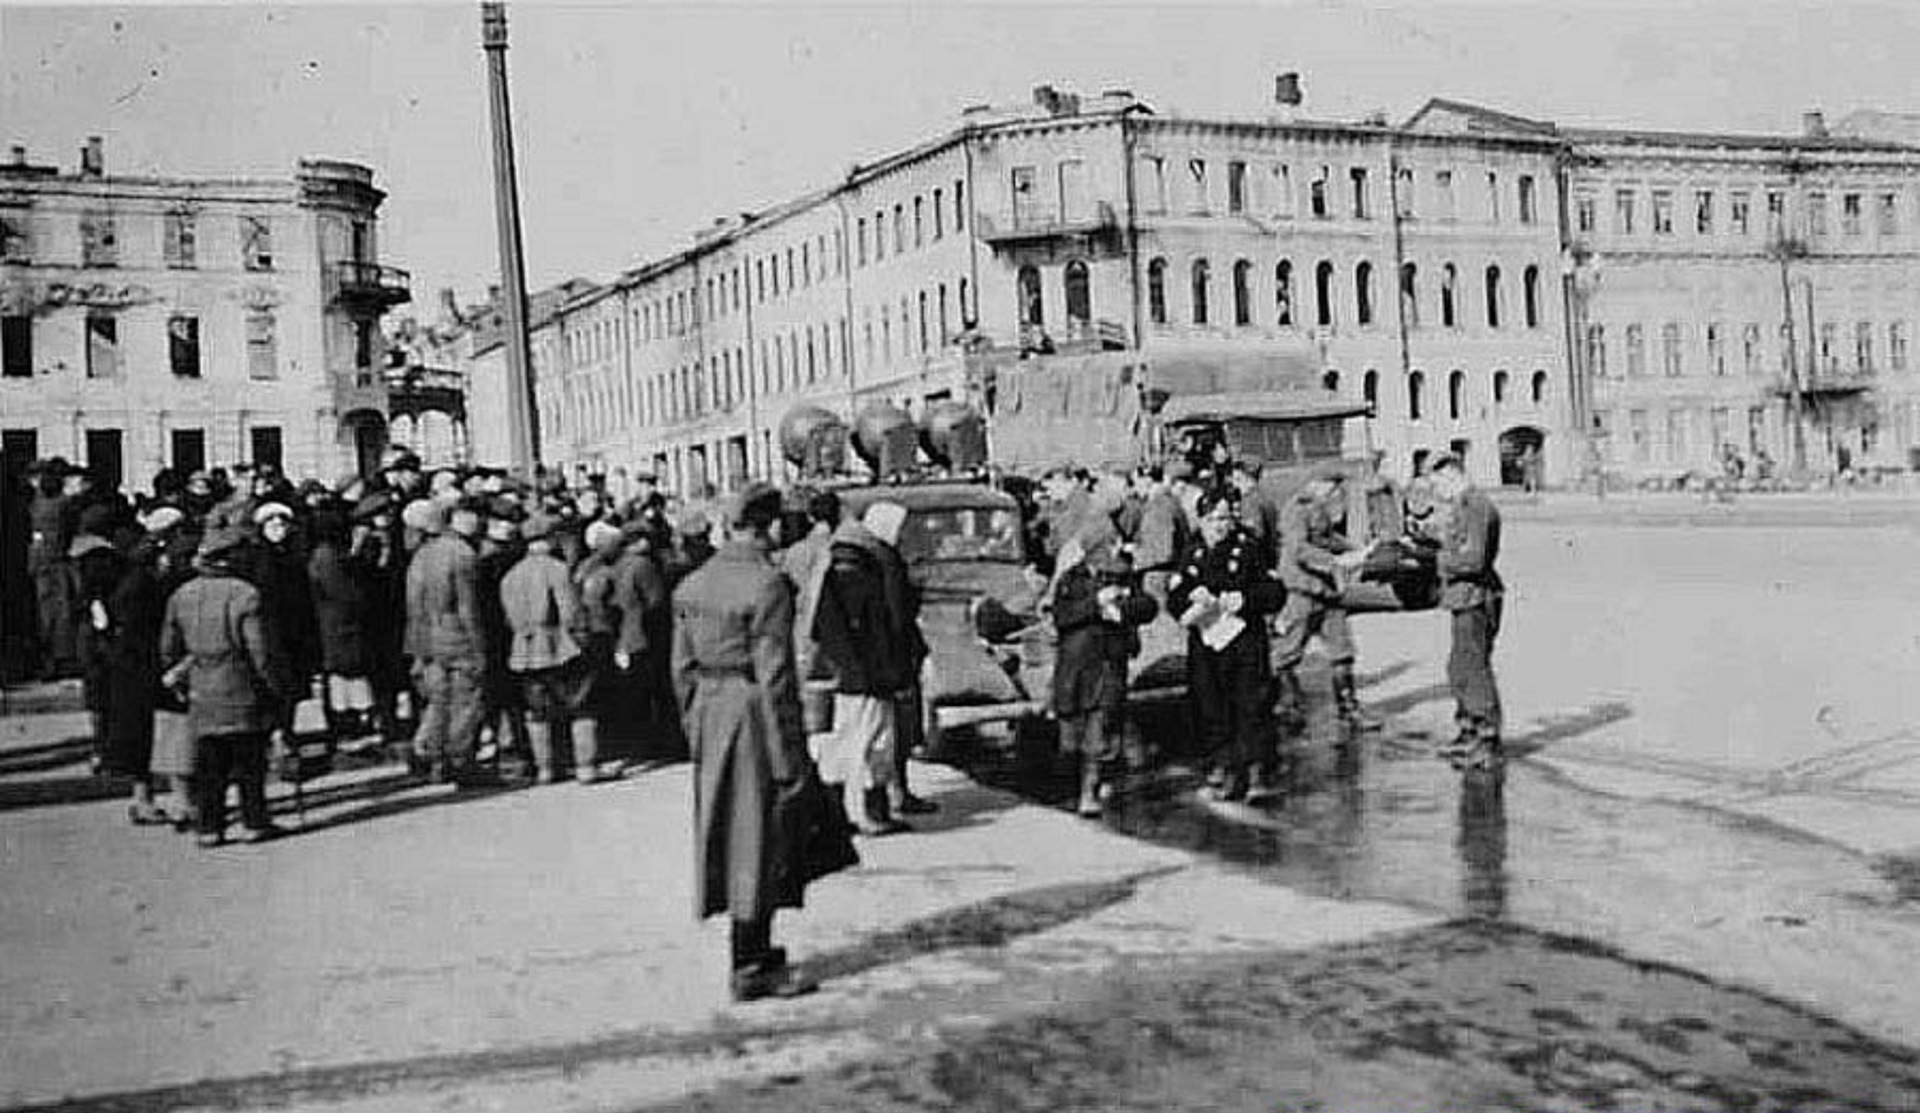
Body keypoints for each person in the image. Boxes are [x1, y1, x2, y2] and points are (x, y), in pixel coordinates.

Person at [672, 482, 836, 1002]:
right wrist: (791, 756)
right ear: (767, 527)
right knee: (757, 836)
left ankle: (753, 950)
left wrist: (697, 725)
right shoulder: (767, 585)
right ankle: (749, 964)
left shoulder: (693, 584)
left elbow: (681, 670)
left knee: (726, 833)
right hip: (752, 715)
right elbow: (776, 677)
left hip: (712, 711)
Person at [160, 527, 287, 847]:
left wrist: (183, 672)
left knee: (209, 760)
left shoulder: (182, 594)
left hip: (202, 682)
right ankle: (254, 821)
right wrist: (273, 684)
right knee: (248, 758)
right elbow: (259, 650)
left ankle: (209, 827)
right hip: (238, 680)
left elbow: (168, 646)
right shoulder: (245, 594)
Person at [812, 500, 924, 835]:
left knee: (863, 741)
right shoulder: (864, 568)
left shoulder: (852, 563)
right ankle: (864, 813)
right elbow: (883, 625)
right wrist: (874, 670)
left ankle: (854, 812)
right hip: (867, 674)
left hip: (860, 673)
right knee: (868, 742)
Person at [1166, 489, 1286, 802]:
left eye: (1226, 518)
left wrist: (1245, 599)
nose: (1221, 525)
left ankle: (1256, 772)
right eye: (1214, 519)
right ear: (1202, 520)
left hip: (1244, 640)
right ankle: (1224, 768)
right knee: (1211, 706)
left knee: (1251, 705)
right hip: (1207, 642)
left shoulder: (1248, 548)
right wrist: (1191, 602)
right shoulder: (1192, 552)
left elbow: (1275, 592)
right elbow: (1175, 598)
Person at [1050, 537, 1157, 816]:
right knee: (1070, 738)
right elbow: (1061, 616)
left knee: (1099, 730)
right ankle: (1073, 785)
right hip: (1075, 668)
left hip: (1109, 663)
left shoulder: (1123, 578)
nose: (1107, 566)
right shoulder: (1070, 580)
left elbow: (1148, 607)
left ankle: (1091, 790)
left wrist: (1121, 611)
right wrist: (1095, 604)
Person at [500, 512, 603, 784]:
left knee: (537, 712)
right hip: (560, 646)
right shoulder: (557, 569)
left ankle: (545, 768)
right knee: (581, 705)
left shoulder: (511, 576)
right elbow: (571, 613)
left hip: (524, 650)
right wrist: (584, 640)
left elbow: (509, 619)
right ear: (549, 539)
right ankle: (586, 766)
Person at [1273, 469, 1374, 736]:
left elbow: (1327, 538)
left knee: (1342, 650)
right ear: (1316, 484)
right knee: (1287, 653)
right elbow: (1299, 549)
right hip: (1302, 590)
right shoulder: (1296, 509)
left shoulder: (1320, 507)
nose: (1335, 493)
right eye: (1331, 487)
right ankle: (1289, 708)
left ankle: (1349, 709)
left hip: (1328, 592)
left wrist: (1357, 550)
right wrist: (1334, 562)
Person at [404, 499, 494, 787]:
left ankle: (434, 758)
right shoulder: (462, 554)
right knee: (466, 702)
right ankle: (461, 761)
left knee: (438, 701)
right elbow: (469, 608)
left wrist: (418, 648)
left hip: (428, 637)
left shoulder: (420, 556)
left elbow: (413, 606)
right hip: (458, 636)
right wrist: (480, 648)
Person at [1426, 453, 1506, 772]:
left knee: (1473, 668)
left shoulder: (1476, 505)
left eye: (1437, 484)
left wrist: (1436, 562)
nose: (1436, 492)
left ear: (1451, 474)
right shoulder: (1462, 505)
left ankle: (1487, 739)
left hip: (1476, 597)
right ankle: (1468, 731)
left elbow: (1474, 560)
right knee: (1459, 667)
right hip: (1463, 597)